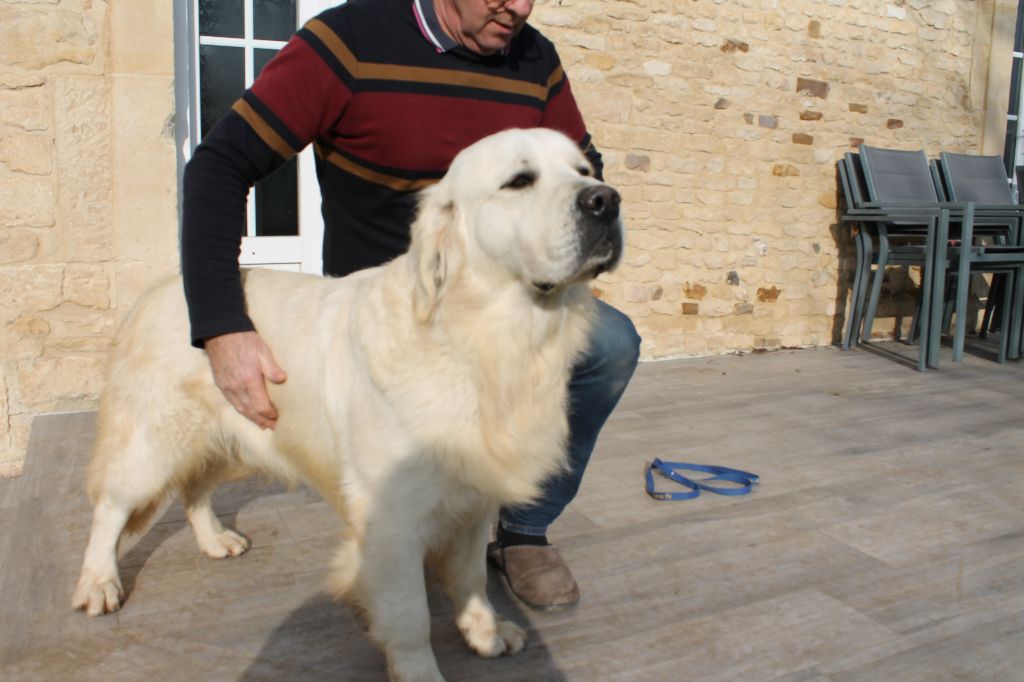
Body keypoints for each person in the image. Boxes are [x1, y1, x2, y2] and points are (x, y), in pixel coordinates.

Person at [181, 0, 640, 611]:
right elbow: (220, 165)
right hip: (385, 301)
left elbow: (583, 169)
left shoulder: (536, 58)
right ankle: (405, 524)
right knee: (409, 479)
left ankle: (524, 529)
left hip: (499, 294)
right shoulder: (345, 42)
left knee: (610, 344)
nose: (517, 6)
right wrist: (221, 326)